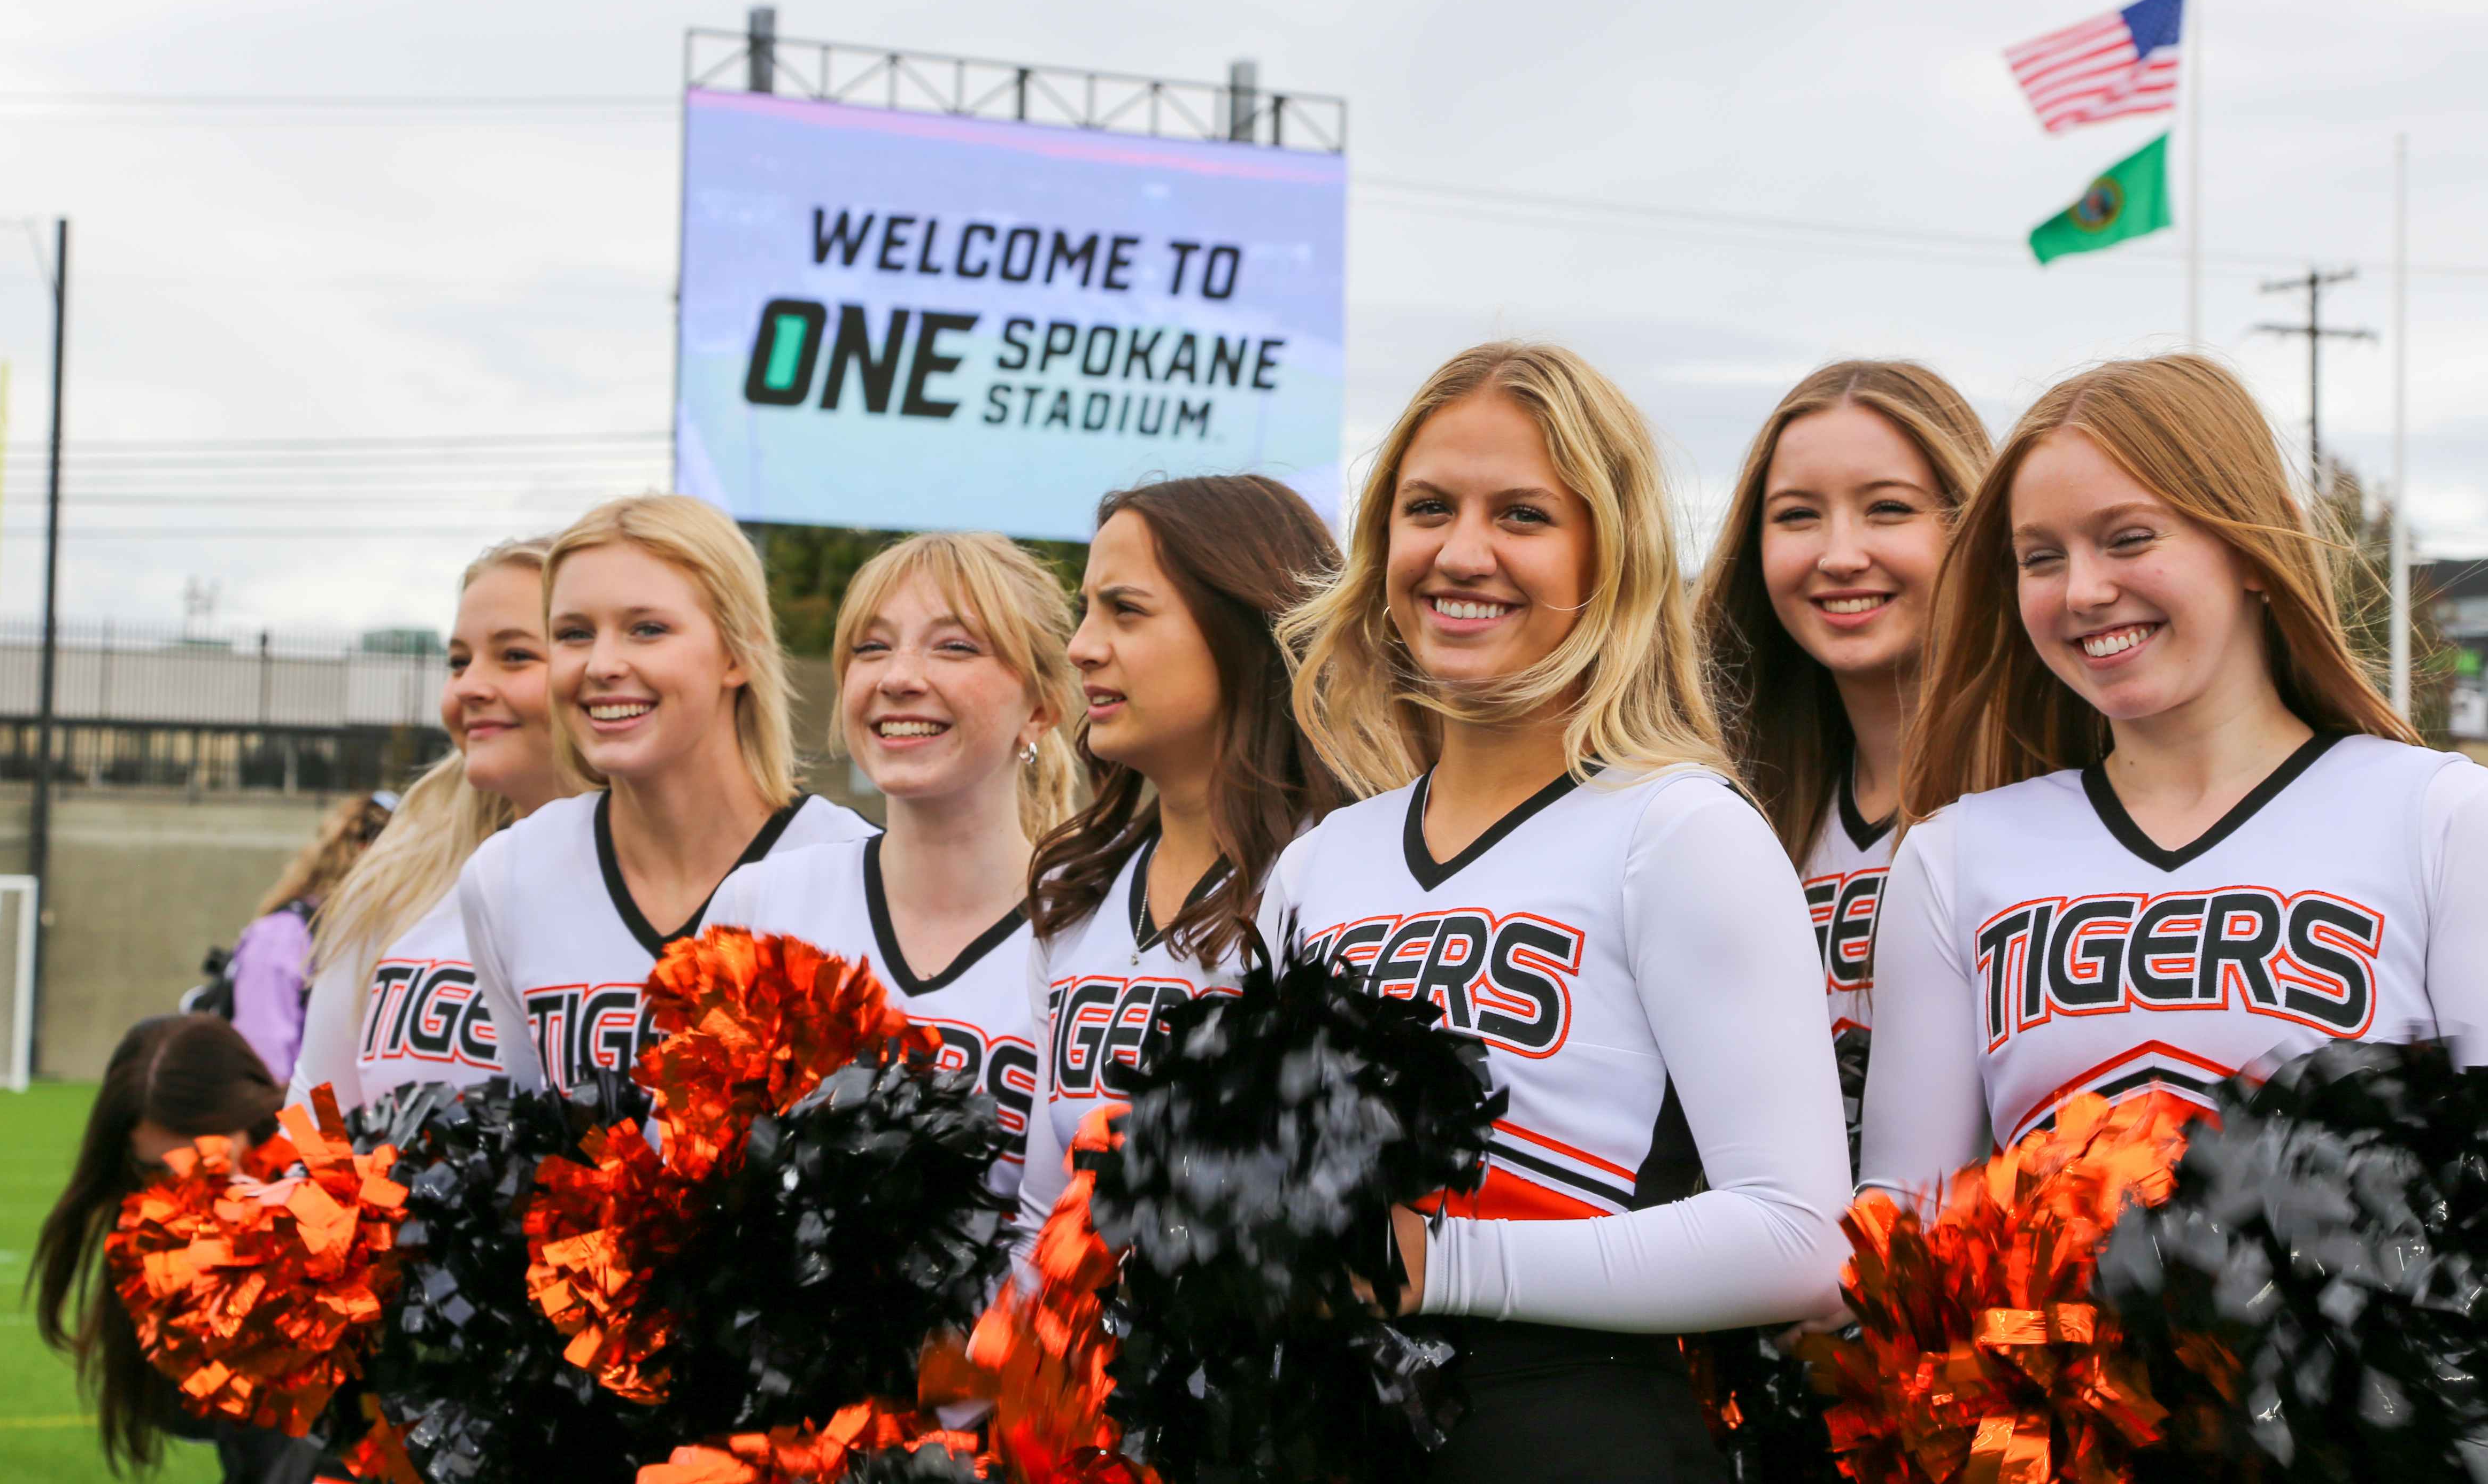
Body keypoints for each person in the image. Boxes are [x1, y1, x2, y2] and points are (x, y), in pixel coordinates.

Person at [1262, 340, 1850, 1484]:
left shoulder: (1679, 830)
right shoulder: (1323, 862)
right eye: (1426, 508)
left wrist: (1442, 1265)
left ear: (1609, 557)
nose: (1461, 551)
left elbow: (1799, 1238)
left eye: (1522, 514)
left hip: (1576, 1429)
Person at [1859, 353, 2488, 1205]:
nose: (2086, 591)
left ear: (2253, 546)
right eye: (2041, 558)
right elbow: (1905, 1222)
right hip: (2042, 1341)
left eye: (2129, 538)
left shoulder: (2441, 816)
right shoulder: (1954, 857)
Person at [1013, 473, 1362, 1241]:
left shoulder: (1351, 886)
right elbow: (1045, 1215)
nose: (1080, 649)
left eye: (1126, 612)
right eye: (1084, 613)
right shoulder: (1077, 889)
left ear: (1246, 625)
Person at [459, 494, 876, 1094]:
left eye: (647, 629)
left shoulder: (854, 872)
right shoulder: (505, 876)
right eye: (574, 634)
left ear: (739, 652)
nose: (602, 664)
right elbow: (532, 1146)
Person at [717, 531, 1079, 1199]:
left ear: (1041, 708)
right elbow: (692, 1187)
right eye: (871, 648)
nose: (898, 677)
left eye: (955, 647)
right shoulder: (761, 904)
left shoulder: (1097, 930)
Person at [1694, 360, 1991, 1163]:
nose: (1840, 554)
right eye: (1797, 516)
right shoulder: (1732, 812)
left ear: (1973, 526)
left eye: (1888, 509)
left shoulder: (2059, 791)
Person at [292, 536, 575, 1115]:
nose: (468, 685)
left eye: (515, 655)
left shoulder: (688, 896)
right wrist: (328, 1196)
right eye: (458, 662)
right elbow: (316, 1110)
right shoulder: (395, 891)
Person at [29, 1011, 327, 1484]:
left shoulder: (340, 1193)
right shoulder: (154, 1251)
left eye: (202, 1160)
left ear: (250, 1118)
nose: (183, 1191)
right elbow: (190, 1418)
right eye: (159, 1171)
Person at [226, 792, 389, 1083]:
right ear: (366, 850)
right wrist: (332, 1128)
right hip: (307, 1118)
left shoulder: (382, 934)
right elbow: (269, 1072)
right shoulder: (285, 935)